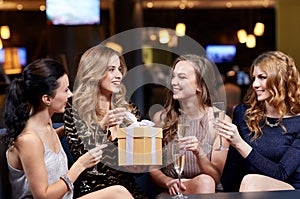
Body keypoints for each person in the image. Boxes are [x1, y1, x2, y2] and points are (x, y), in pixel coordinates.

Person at [2, 58, 134, 199]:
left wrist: (97, 125)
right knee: (118, 193)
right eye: (65, 90)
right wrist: (80, 165)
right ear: (47, 99)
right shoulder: (29, 140)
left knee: (118, 191)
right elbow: (43, 196)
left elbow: (51, 142)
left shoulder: (47, 127)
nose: (70, 95)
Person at [63, 44, 146, 198]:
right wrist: (102, 127)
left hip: (128, 189)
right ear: (94, 72)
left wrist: (142, 159)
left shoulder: (129, 110)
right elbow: (82, 158)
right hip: (95, 190)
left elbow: (138, 171)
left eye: (119, 69)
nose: (119, 75)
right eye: (111, 69)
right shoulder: (74, 110)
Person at [149, 54, 231, 196]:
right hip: (172, 191)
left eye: (182, 77)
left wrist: (200, 153)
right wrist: (168, 181)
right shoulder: (161, 119)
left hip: (207, 191)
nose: (174, 82)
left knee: (206, 182)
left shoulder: (220, 120)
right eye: (173, 76)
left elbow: (215, 177)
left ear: (199, 85)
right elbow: (152, 168)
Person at [218, 51, 300, 192]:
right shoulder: (243, 113)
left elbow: (282, 173)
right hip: (248, 190)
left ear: (280, 80)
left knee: (252, 181)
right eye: (254, 78)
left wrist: (239, 143)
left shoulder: (297, 121)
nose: (255, 84)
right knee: (248, 181)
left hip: (288, 189)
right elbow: (233, 166)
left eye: (262, 77)